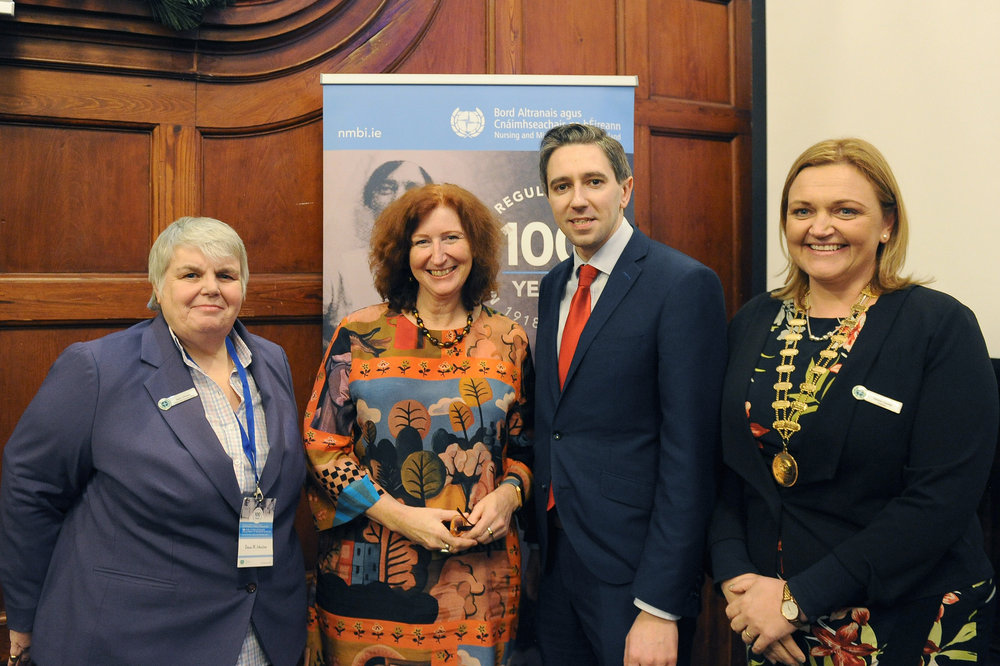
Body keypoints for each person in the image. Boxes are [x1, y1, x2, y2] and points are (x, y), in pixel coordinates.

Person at [709, 138, 998, 666]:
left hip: (909, 620)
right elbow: (728, 473)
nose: (820, 227)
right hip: (772, 628)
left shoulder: (939, 327)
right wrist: (737, 581)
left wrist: (796, 601)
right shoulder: (753, 321)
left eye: (846, 210)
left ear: (887, 224)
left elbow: (941, 501)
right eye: (803, 211)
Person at [0, 216, 308, 665]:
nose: (211, 288)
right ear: (158, 286)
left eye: (226, 275)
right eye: (190, 275)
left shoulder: (269, 359)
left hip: (261, 630)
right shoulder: (97, 368)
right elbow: (30, 491)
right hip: (139, 638)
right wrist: (24, 615)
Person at [303, 183, 534, 665]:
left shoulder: (509, 340)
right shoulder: (359, 335)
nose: (438, 255)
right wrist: (399, 516)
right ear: (402, 253)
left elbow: (528, 448)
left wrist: (510, 495)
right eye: (422, 241)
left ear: (476, 247)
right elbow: (321, 446)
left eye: (451, 238)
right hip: (364, 593)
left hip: (479, 587)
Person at [531, 123, 728, 666]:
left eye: (593, 180)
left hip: (634, 575)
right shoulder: (555, 286)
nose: (578, 199)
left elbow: (691, 457)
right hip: (555, 560)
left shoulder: (682, 284)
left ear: (626, 188)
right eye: (561, 185)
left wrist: (660, 605)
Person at [326, 160, 435, 335]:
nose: (399, 197)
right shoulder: (341, 267)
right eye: (386, 188)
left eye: (412, 187)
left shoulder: (444, 265)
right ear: (370, 199)